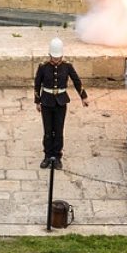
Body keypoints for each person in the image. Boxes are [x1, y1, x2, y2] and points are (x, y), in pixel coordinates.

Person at [34, 37, 88, 170]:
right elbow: (37, 84)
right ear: (50, 55)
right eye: (54, 57)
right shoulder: (43, 67)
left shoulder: (67, 66)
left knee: (58, 130)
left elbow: (76, 81)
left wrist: (83, 96)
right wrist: (37, 101)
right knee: (47, 131)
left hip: (61, 101)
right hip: (46, 101)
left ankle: (57, 157)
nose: (56, 60)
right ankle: (47, 156)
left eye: (58, 57)